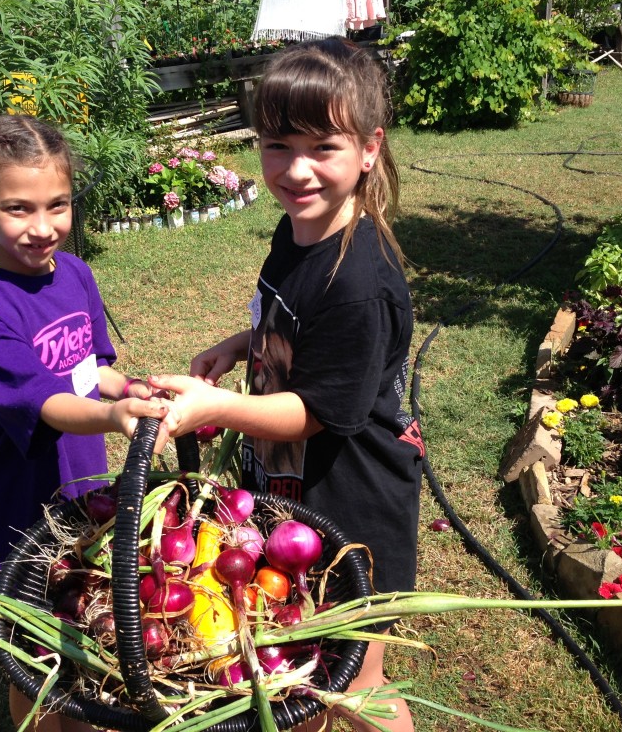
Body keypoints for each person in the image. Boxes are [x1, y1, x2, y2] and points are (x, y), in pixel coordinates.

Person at [151, 38, 425, 732]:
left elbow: (313, 413)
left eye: (322, 147)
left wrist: (218, 407)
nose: (296, 170)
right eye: (277, 145)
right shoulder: (298, 232)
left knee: (356, 679)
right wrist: (241, 344)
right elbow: (292, 328)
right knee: (303, 662)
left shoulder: (360, 283)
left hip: (351, 502)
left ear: (369, 148)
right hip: (294, 489)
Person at [0, 114, 168, 731]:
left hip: (80, 494)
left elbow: (88, 371)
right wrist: (112, 416)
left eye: (57, 205)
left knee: (78, 635)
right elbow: (47, 402)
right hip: (18, 502)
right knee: (30, 661)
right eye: (18, 209)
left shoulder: (76, 274)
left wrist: (134, 389)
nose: (43, 228)